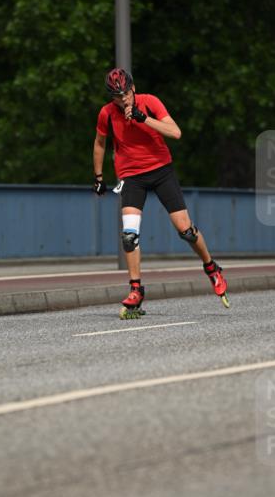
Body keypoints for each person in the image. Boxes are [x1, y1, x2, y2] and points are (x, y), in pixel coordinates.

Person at [93, 67, 229, 318]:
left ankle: (211, 267)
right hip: (131, 177)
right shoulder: (107, 114)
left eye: (126, 94)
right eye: (116, 96)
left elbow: (175, 132)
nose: (123, 100)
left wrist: (144, 119)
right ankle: (136, 290)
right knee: (129, 236)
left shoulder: (150, 102)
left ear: (133, 88)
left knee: (185, 231)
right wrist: (99, 177)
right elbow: (100, 143)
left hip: (161, 170)